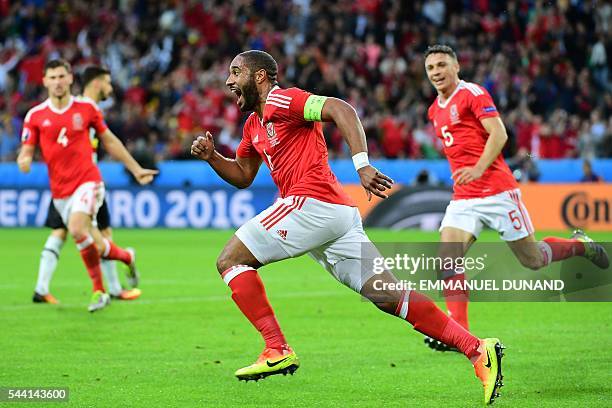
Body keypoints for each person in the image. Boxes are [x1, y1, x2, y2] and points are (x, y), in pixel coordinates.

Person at [191, 50, 505, 405]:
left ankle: (276, 347)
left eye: (236, 72)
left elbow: (341, 109)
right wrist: (213, 158)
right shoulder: (253, 126)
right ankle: (478, 349)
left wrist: (362, 165)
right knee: (389, 296)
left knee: (230, 260)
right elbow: (244, 175)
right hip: (336, 216)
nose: (229, 81)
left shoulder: (284, 99)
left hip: (311, 204)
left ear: (260, 76)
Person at [423, 44, 609, 350]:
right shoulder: (434, 110)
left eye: (442, 65)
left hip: (497, 191)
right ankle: (460, 334)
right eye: (431, 68)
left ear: (456, 66)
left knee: (532, 259)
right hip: (464, 197)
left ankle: (580, 246)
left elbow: (499, 133)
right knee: (447, 259)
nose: (436, 73)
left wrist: (478, 168)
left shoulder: (473, 94)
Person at [17, 59, 158, 312]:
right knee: (93, 240)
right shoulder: (35, 115)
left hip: (88, 182)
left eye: (62, 76)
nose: (58, 82)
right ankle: (126, 257)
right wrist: (24, 159)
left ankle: (99, 291)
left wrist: (135, 169)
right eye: (53, 77)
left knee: (75, 228)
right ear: (45, 81)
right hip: (61, 191)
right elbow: (27, 150)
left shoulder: (87, 109)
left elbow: (111, 142)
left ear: (71, 78)